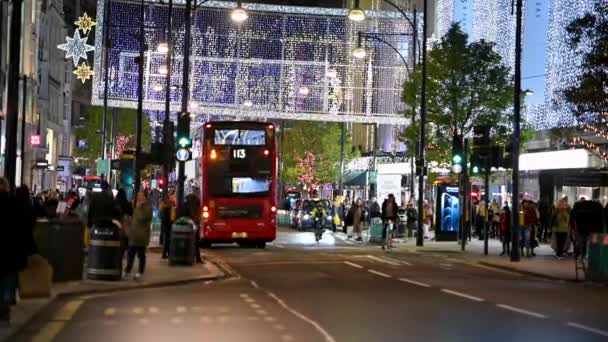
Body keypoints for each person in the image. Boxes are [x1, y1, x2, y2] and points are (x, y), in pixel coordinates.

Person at [0, 178, 30, 324]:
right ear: (7, 187)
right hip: (11, 249)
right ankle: (7, 302)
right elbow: (22, 227)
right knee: (9, 277)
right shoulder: (14, 203)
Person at [125, 191, 153, 280]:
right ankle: (127, 270)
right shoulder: (137, 206)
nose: (139, 197)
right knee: (130, 254)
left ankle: (140, 272)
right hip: (134, 234)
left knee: (141, 255)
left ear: (145, 197)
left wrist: (139, 207)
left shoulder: (147, 207)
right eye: (138, 196)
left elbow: (142, 218)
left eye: (140, 196)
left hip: (142, 235)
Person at [115, 189, 133, 259]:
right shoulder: (128, 204)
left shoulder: (115, 203)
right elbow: (131, 214)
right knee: (124, 242)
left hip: (116, 226)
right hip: (125, 227)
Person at [185, 193, 202, 263]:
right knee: (196, 242)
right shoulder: (196, 205)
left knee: (192, 241)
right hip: (194, 224)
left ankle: (193, 257)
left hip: (190, 224)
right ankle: (197, 258)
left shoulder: (187, 205)